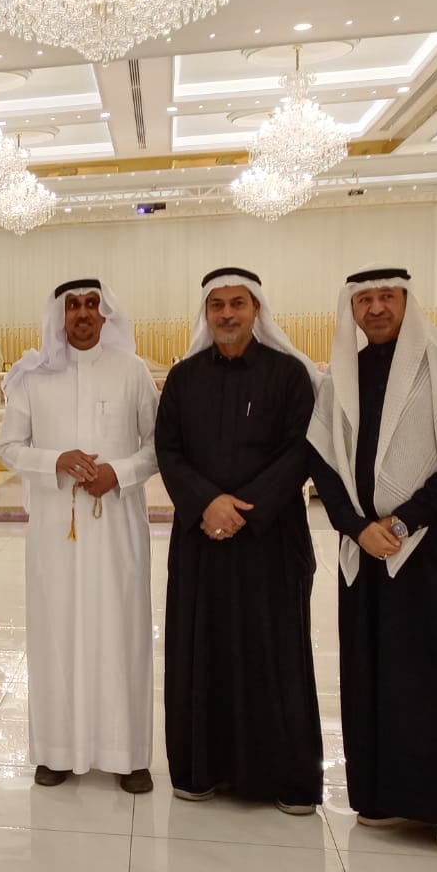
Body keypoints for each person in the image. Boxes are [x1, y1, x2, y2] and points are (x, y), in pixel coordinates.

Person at [307, 267, 437, 872]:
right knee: (376, 674)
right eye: (363, 299)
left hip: (434, 551)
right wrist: (355, 525)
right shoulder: (343, 377)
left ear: (406, 301)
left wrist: (403, 521)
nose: (375, 308)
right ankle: (383, 797)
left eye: (386, 296)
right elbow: (323, 461)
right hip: (366, 553)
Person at [155, 269, 322, 814]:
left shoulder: (289, 375)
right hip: (201, 539)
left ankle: (284, 777)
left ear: (256, 310)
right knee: (202, 651)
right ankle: (202, 769)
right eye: (217, 305)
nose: (226, 314)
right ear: (206, 314)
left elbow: (301, 450)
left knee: (273, 652)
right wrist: (207, 503)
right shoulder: (183, 379)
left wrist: (242, 510)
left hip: (269, 542)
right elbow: (168, 450)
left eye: (237, 304)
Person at [0, 279, 160, 793]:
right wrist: (56, 461)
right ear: (59, 316)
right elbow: (8, 446)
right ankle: (56, 751)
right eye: (73, 306)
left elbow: (160, 445)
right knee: (57, 630)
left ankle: (127, 754)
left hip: (117, 527)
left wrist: (119, 473)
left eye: (92, 304)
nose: (83, 314)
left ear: (105, 313)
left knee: (122, 630)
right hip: (55, 531)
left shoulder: (132, 371)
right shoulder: (32, 378)